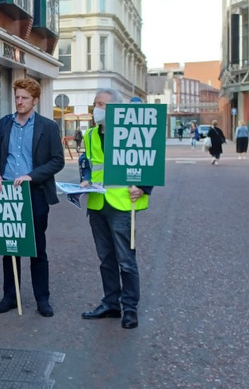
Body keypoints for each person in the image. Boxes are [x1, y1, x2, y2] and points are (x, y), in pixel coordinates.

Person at [0, 78, 65, 317]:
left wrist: (33, 176)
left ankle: (43, 299)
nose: (19, 102)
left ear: (35, 101)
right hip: (7, 193)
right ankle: (10, 297)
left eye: (24, 98)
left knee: (36, 248)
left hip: (35, 193)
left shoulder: (48, 127)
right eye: (17, 97)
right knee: (9, 247)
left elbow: (57, 160)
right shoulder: (4, 124)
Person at [79, 88, 152, 329]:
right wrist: (86, 178)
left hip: (122, 204)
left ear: (117, 110)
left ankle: (129, 308)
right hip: (97, 203)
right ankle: (111, 303)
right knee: (105, 259)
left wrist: (143, 187)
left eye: (102, 105)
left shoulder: (131, 132)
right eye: (96, 104)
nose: (97, 109)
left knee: (126, 260)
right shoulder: (89, 134)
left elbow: (148, 160)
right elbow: (89, 163)